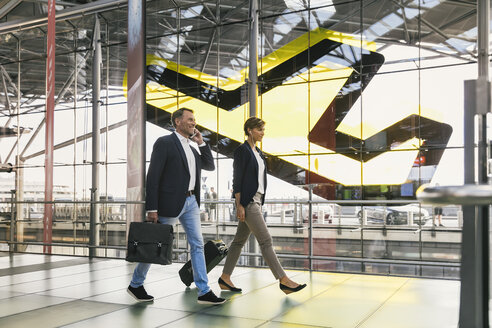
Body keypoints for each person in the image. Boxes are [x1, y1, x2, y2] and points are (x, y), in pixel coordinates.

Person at [127, 108, 226, 305]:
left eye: (194, 119)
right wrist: (151, 208)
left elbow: (209, 165)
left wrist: (201, 143)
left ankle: (203, 290)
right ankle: (136, 284)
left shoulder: (192, 148)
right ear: (177, 122)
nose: (193, 122)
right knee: (157, 244)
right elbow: (153, 176)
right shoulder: (165, 143)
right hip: (170, 203)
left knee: (197, 245)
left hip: (191, 202)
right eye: (190, 119)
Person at [218, 117, 307, 295]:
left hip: (257, 200)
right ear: (249, 130)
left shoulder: (258, 152)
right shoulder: (242, 151)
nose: (262, 133)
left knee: (238, 242)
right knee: (266, 241)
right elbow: (238, 179)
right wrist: (239, 205)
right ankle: (283, 280)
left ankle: (225, 278)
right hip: (248, 201)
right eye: (260, 130)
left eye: (263, 130)